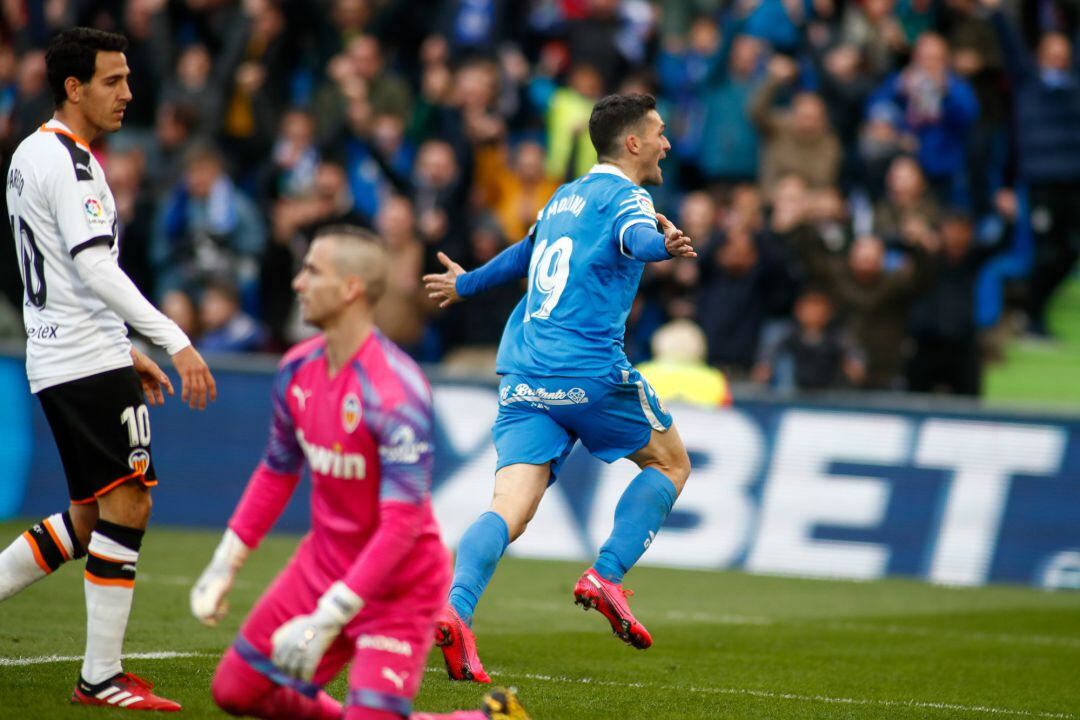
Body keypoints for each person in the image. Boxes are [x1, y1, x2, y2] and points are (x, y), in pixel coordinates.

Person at [189, 225, 529, 720]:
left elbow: (401, 525)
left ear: (350, 288)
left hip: (399, 583)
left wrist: (329, 616)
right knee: (236, 693)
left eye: (312, 271)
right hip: (323, 565)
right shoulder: (295, 369)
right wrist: (225, 563)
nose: (298, 283)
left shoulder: (397, 393)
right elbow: (277, 471)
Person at [424, 93, 695, 682]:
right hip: (588, 370)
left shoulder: (563, 196)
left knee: (508, 509)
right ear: (632, 143)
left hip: (525, 374)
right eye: (659, 133)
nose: (666, 143)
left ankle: (455, 609)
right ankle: (608, 573)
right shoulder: (628, 197)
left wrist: (465, 284)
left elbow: (526, 254)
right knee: (671, 464)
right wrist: (663, 247)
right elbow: (633, 238)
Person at [0, 27, 217, 711]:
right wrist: (176, 341)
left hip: (65, 352)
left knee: (90, 517)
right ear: (74, 87)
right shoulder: (70, 162)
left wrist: (127, 348)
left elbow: (62, 275)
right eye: (113, 80)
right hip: (81, 359)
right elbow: (94, 266)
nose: (128, 92)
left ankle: (101, 672)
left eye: (127, 78)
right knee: (130, 502)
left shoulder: (30, 154)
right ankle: (100, 676)